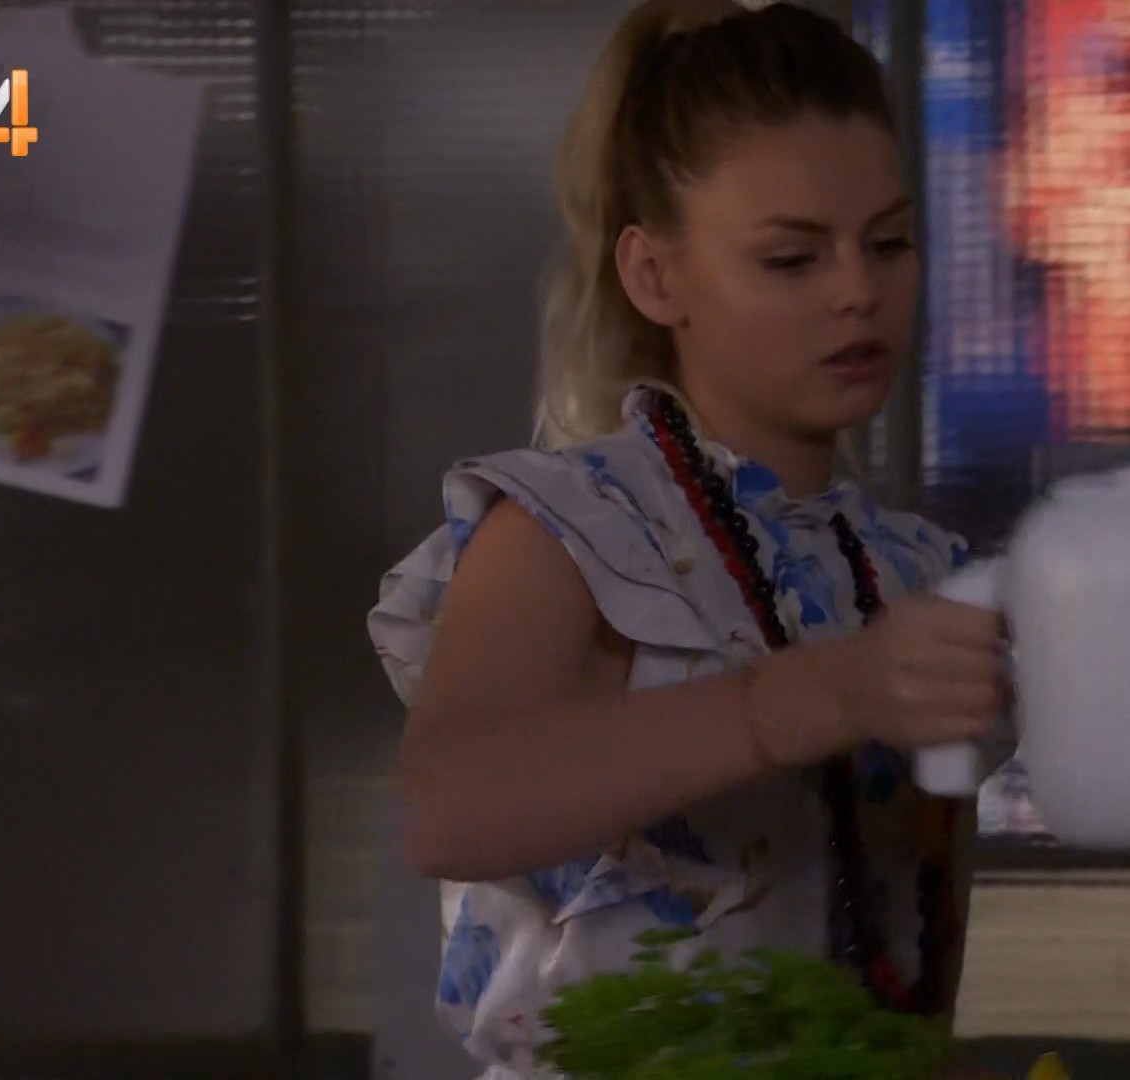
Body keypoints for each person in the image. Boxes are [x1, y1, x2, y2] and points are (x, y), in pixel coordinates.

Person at [367, 1, 1009, 1075]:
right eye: (792, 259)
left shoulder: (918, 569)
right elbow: (447, 808)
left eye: (889, 243)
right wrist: (817, 695)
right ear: (654, 276)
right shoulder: (572, 528)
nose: (860, 290)